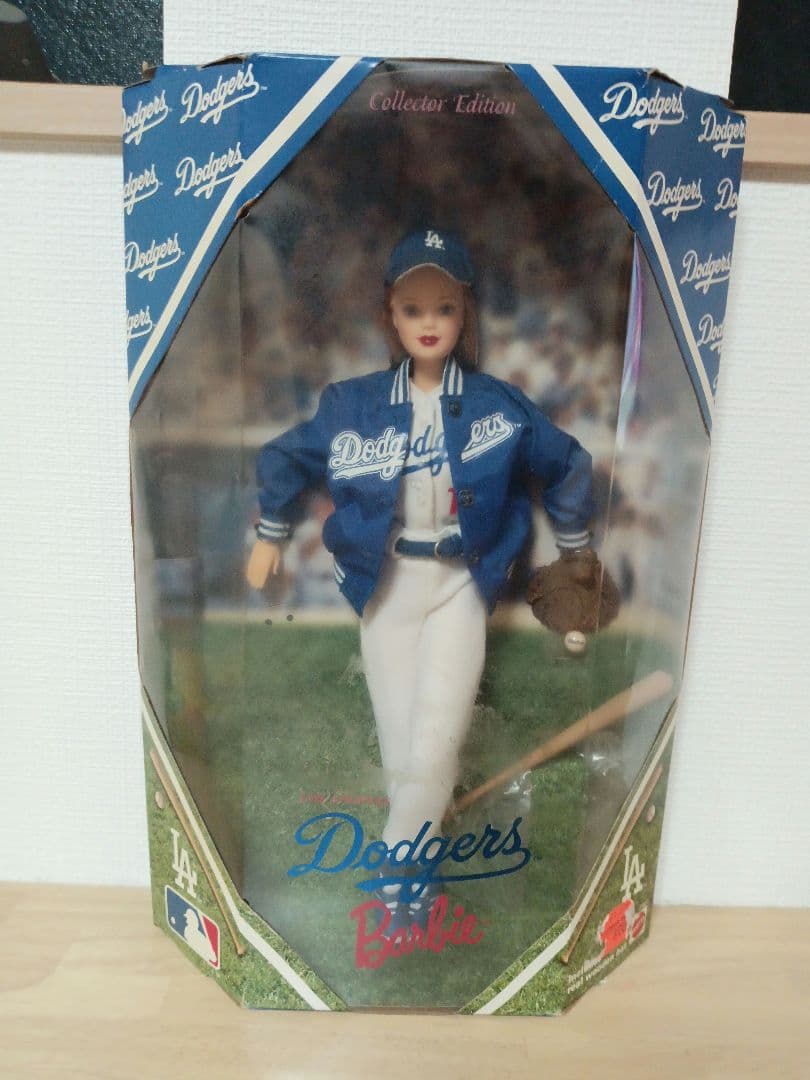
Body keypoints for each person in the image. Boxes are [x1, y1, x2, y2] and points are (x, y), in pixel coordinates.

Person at [247, 228, 593, 929]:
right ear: (391, 315)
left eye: (444, 307)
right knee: (403, 746)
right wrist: (270, 532)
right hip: (388, 586)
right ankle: (415, 886)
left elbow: (565, 464)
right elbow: (287, 456)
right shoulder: (354, 404)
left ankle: (390, 879)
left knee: (437, 740)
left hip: (460, 582)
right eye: (413, 308)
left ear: (465, 313)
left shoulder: (497, 404)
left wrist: (576, 554)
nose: (429, 323)